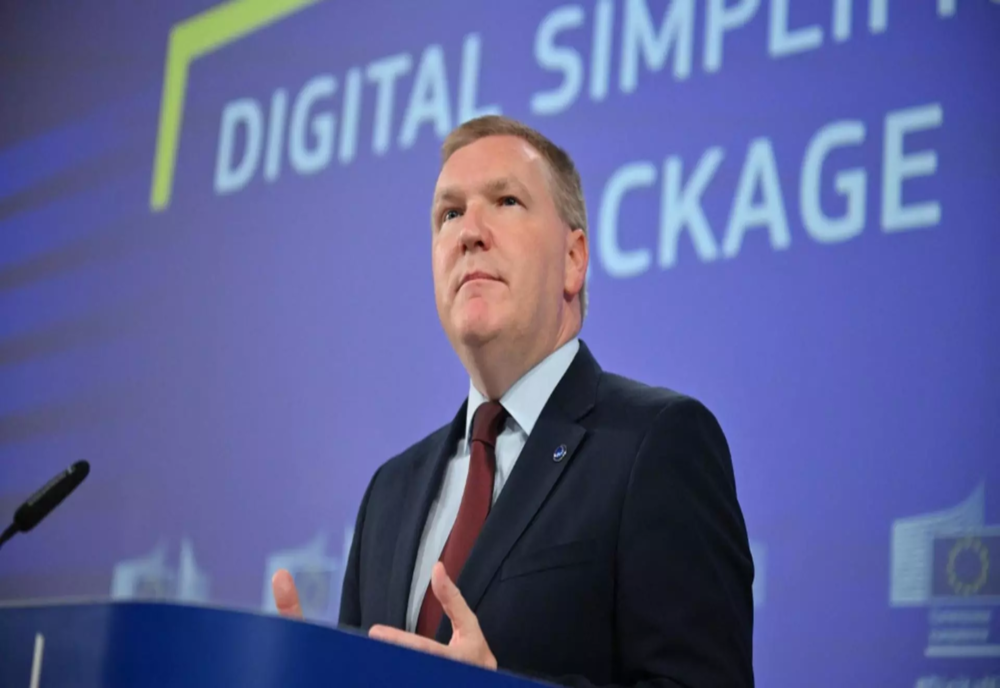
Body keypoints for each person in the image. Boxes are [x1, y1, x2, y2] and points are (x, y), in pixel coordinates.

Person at [271, 115, 755, 686]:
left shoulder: (658, 442)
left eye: (505, 201)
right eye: (450, 214)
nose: (469, 232)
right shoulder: (388, 494)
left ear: (573, 259)